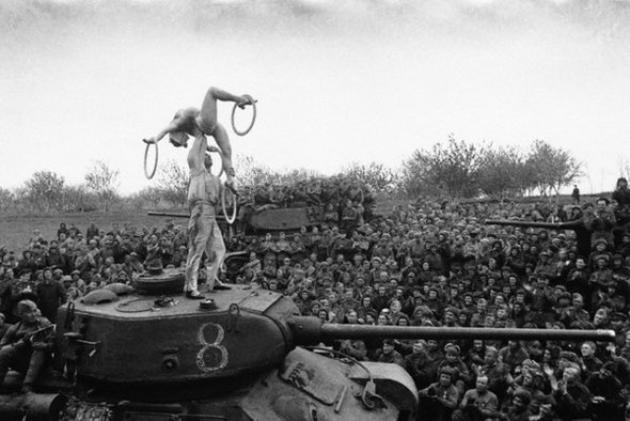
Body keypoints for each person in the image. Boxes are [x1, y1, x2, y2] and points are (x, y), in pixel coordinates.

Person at [143, 86, 255, 190]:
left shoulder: (180, 120)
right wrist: (208, 147)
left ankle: (230, 179)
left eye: (182, 141)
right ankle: (238, 99)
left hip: (212, 126)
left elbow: (166, 129)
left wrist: (156, 138)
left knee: (227, 151)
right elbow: (200, 139)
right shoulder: (186, 127)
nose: (185, 141)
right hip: (207, 124)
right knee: (211, 92)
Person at [183, 134, 227, 299]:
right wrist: (202, 138)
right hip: (200, 212)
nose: (206, 156)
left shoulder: (215, 179)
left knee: (218, 247)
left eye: (208, 156)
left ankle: (212, 280)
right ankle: (190, 286)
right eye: (204, 155)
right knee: (197, 249)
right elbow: (195, 152)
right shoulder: (197, 172)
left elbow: (223, 199)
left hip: (211, 214)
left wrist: (230, 187)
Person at [0, 300, 53, 392]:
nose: (34, 314)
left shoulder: (45, 324)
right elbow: (2, 346)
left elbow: (57, 346)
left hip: (42, 365)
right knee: (5, 351)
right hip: (23, 364)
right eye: (29, 312)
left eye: (35, 310)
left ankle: (27, 386)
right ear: (21, 314)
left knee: (38, 350)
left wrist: (44, 346)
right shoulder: (15, 328)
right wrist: (17, 345)